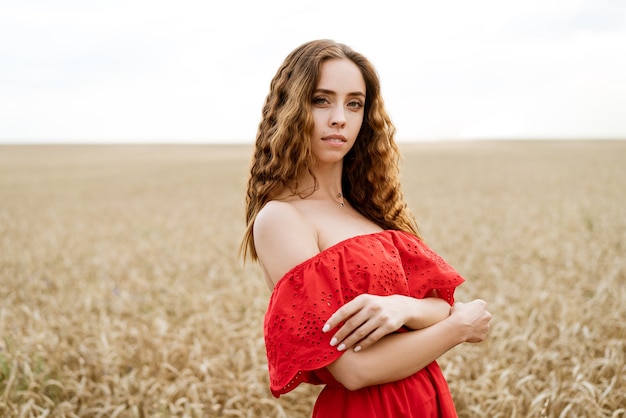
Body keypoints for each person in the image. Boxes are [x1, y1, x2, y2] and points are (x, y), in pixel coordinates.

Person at [240, 39, 492, 417]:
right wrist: (459, 329)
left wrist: (402, 307)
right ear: (290, 109)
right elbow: (353, 370)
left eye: (354, 103)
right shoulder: (282, 218)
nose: (339, 117)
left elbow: (439, 304)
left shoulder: (368, 210)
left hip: (426, 399)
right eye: (321, 100)